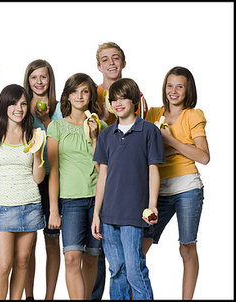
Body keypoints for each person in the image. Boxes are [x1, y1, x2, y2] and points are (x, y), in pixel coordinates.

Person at [91, 78, 165, 300]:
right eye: (114, 99)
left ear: (134, 100)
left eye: (123, 98)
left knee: (135, 270)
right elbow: (102, 175)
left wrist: (152, 205)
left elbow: (153, 171)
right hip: (109, 214)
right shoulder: (106, 135)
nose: (118, 103)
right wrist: (96, 214)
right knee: (117, 271)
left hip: (134, 214)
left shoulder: (149, 131)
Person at [142, 66, 210, 300]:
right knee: (140, 246)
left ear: (187, 89)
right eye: (170, 85)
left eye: (180, 86)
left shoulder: (193, 115)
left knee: (186, 246)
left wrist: (169, 140)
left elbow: (203, 157)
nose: (174, 90)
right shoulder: (153, 114)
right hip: (157, 189)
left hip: (188, 188)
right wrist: (181, 148)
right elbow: (146, 152)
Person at [92, 41, 149, 299]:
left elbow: (142, 145)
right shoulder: (91, 95)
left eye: (116, 58)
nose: (111, 63)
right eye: (105, 59)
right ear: (98, 65)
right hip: (102, 186)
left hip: (131, 193)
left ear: (123, 62)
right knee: (109, 263)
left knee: (133, 263)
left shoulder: (140, 103)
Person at [0, 84, 45, 300]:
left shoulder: (33, 134)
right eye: (14, 103)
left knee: (23, 261)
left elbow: (38, 178)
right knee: (3, 263)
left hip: (30, 204)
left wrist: (37, 153)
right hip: (1, 208)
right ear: (4, 105)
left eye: (24, 103)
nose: (19, 108)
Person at [46, 73, 107, 299]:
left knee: (92, 258)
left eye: (85, 91)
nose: (79, 96)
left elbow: (104, 170)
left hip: (98, 200)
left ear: (91, 96)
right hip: (71, 201)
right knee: (71, 257)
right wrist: (54, 209)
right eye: (74, 91)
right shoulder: (57, 127)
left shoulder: (100, 126)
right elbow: (53, 171)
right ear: (68, 96)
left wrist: (94, 138)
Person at [22, 59, 62, 300]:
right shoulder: (22, 106)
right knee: (27, 245)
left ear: (50, 80)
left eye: (43, 77)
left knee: (51, 241)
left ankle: (49, 296)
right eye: (34, 77)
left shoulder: (59, 107)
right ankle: (29, 295)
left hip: (51, 179)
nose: (39, 82)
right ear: (28, 80)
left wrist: (47, 120)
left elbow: (63, 144)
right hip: (26, 179)